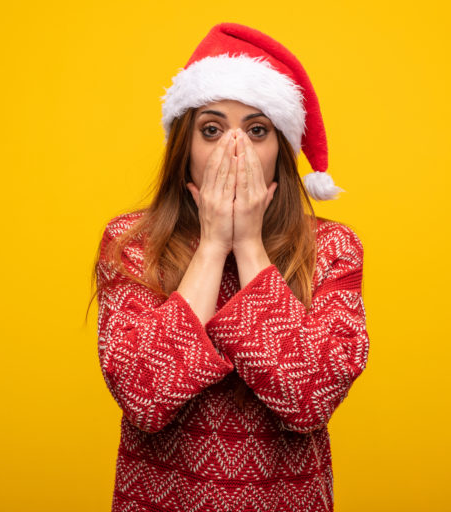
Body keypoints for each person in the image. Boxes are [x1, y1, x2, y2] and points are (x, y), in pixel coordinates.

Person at [89, 22, 370, 512]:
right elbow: (144, 398)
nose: (232, 150)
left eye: (256, 130)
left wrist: (249, 246)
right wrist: (213, 244)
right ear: (185, 150)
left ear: (279, 149)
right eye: (212, 129)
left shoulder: (332, 249)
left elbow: (308, 401)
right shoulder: (130, 244)